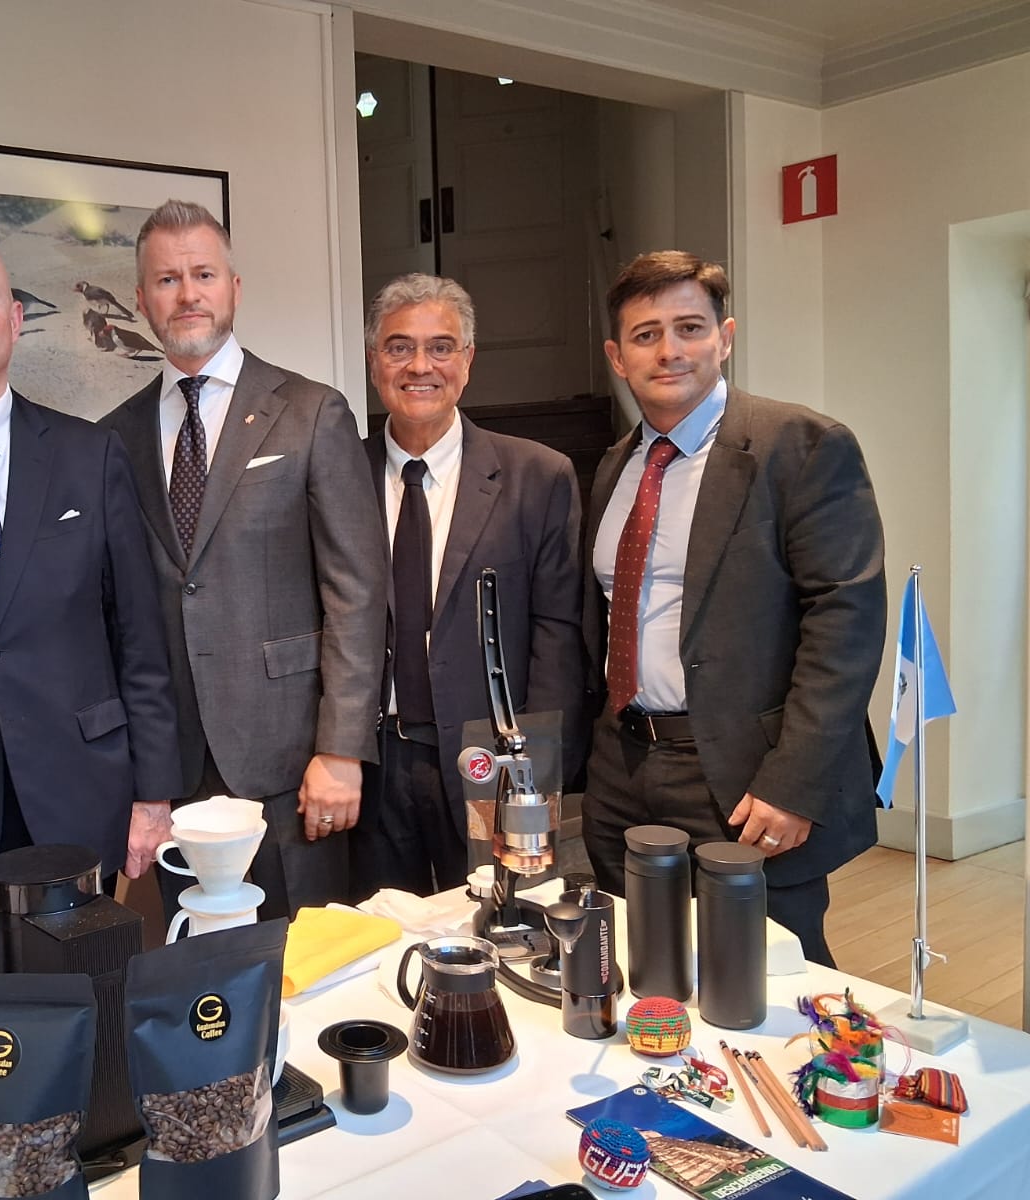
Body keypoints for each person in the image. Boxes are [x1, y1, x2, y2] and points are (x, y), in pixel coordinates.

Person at [0, 232, 180, 972]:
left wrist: (154, 796)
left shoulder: (91, 455)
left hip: (79, 798)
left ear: (14, 318)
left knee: (84, 1015)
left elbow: (139, 640)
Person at [582, 250, 885, 966]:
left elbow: (844, 624)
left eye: (690, 327)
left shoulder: (802, 447)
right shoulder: (614, 466)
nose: (670, 350)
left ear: (725, 337)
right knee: (642, 969)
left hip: (746, 777)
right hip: (624, 766)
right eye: (646, 334)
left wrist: (794, 782)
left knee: (765, 980)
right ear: (617, 357)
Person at [102, 200, 386, 915]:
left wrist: (342, 749)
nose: (187, 294)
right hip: (175, 768)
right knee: (200, 963)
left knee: (306, 961)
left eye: (203, 274)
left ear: (233, 287)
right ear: (141, 299)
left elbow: (356, 592)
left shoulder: (311, 412)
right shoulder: (114, 437)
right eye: (166, 280)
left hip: (293, 765)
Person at [353, 274, 587, 898]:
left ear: (468, 360)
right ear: (374, 360)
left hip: (493, 761)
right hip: (374, 762)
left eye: (441, 347)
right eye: (399, 347)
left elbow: (557, 634)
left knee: (503, 917)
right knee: (383, 928)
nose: (419, 366)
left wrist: (539, 769)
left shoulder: (538, 476)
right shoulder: (339, 472)